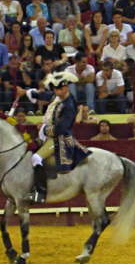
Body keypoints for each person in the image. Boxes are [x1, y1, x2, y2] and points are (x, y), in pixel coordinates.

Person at [30, 71, 91, 204]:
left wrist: (43, 128)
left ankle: (41, 192)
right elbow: (46, 94)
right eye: (56, 89)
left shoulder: (69, 106)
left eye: (60, 89)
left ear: (67, 87)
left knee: (36, 158)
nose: (57, 92)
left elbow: (60, 129)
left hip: (59, 140)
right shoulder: (57, 96)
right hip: (47, 137)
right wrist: (28, 92)